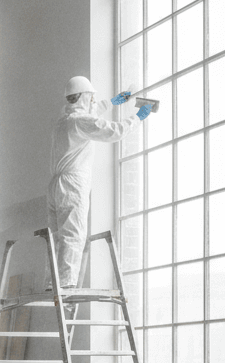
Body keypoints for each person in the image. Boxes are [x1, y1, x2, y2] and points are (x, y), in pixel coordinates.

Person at [47, 77, 153, 288]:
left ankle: (52, 283)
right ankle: (66, 285)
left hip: (56, 185)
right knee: (73, 234)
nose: (94, 102)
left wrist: (116, 101)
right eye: (91, 98)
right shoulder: (80, 121)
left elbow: (93, 112)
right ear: (84, 98)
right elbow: (114, 131)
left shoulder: (63, 121)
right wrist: (138, 117)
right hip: (72, 184)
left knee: (56, 237)